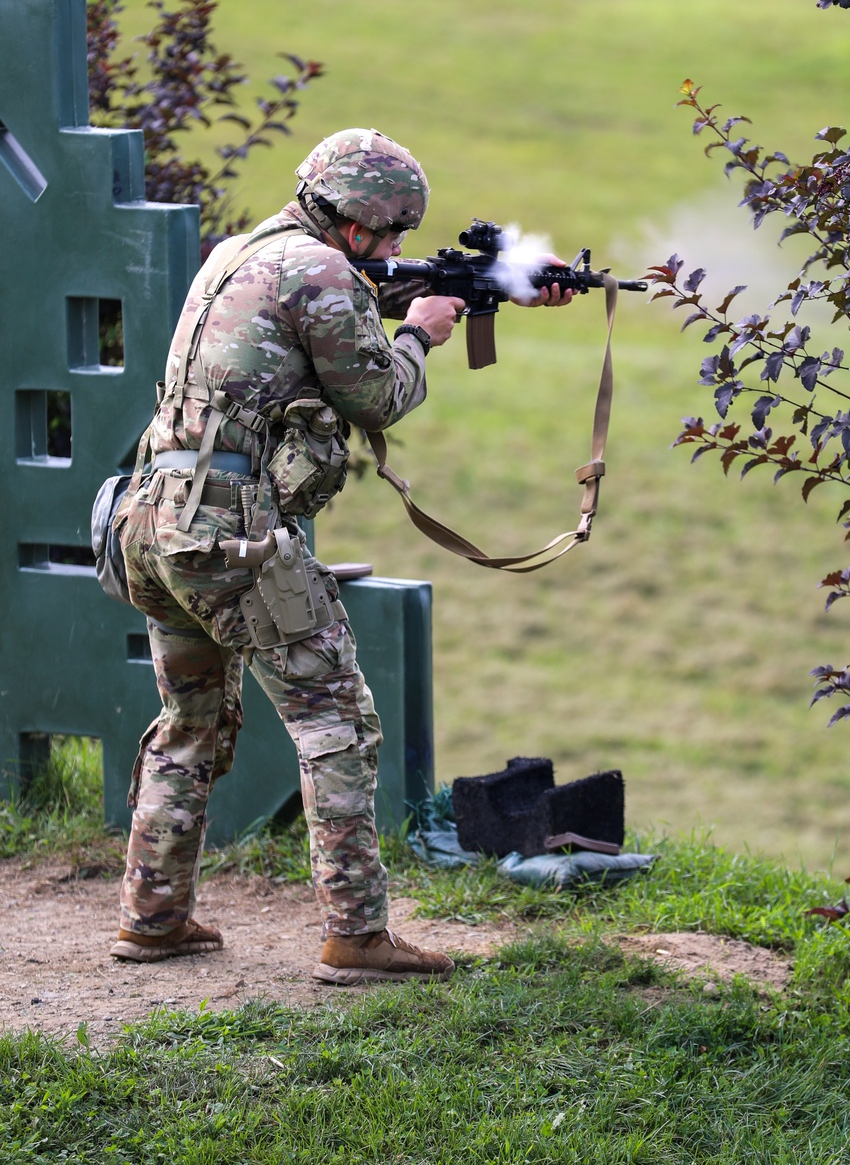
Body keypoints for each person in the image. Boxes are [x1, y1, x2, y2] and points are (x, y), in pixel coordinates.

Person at [110, 128, 571, 985]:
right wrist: (426, 332)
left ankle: (152, 916)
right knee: (338, 723)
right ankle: (357, 935)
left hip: (154, 521)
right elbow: (378, 396)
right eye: (392, 232)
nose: (397, 249)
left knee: (190, 721)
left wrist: (484, 290)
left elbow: (310, 330)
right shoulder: (322, 270)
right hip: (232, 533)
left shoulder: (240, 252)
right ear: (356, 221)